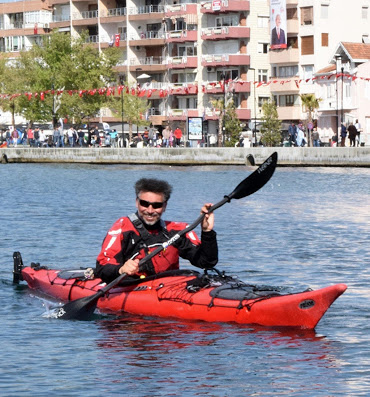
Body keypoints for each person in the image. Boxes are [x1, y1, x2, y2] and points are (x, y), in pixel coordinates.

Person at [96, 178, 218, 283]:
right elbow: (101, 267)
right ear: (137, 203)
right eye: (144, 204)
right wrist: (121, 269)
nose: (149, 210)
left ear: (165, 206)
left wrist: (207, 232)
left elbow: (206, 262)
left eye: (156, 205)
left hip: (169, 288)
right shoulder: (122, 228)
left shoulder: (177, 230)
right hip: (131, 287)